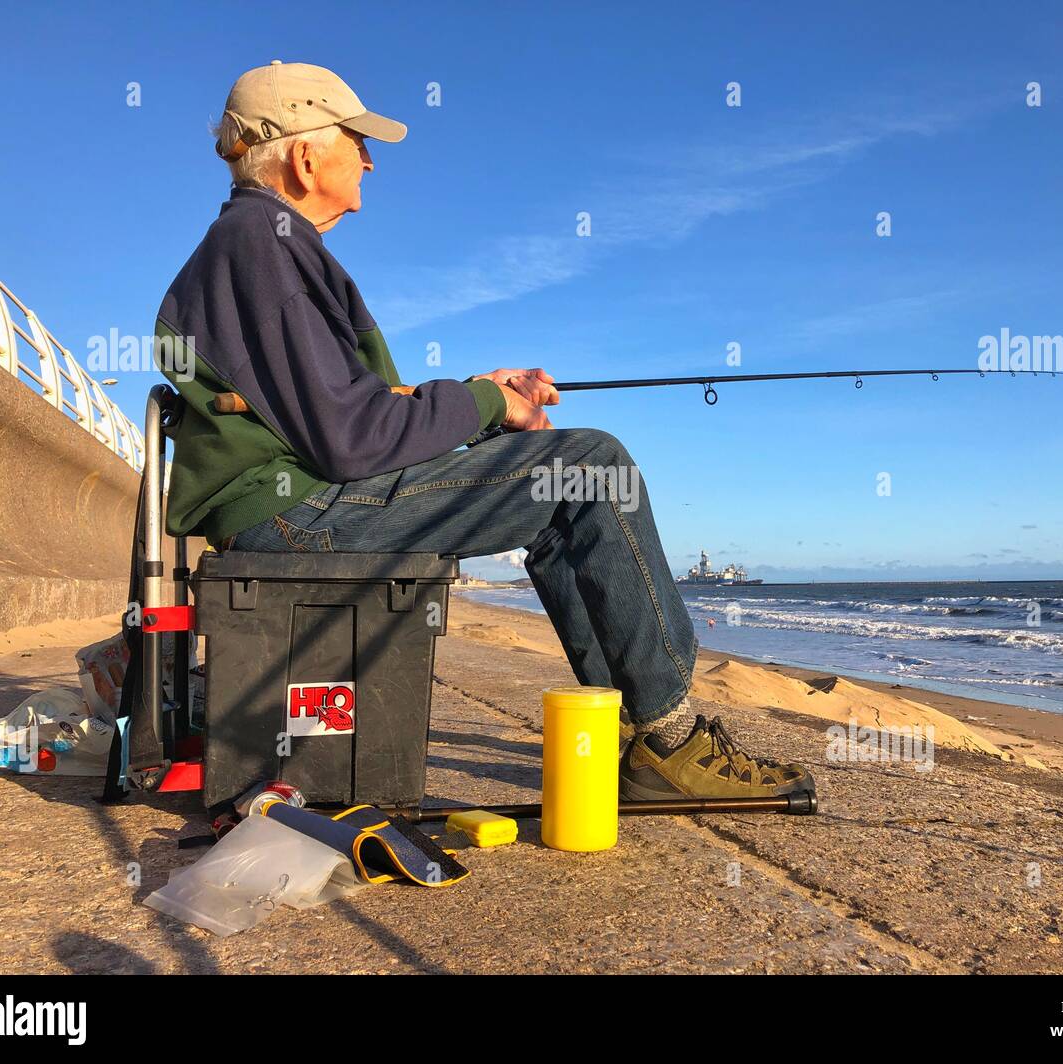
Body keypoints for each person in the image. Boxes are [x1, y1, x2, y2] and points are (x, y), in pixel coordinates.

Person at [155, 61, 813, 800]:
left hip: (301, 498)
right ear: (307, 156)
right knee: (594, 468)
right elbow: (349, 435)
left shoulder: (256, 243)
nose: (369, 159)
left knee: (556, 477)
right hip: (296, 513)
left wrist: (488, 397)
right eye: (356, 141)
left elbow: (348, 404)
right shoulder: (261, 246)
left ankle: (633, 731)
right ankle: (671, 736)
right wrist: (483, 404)